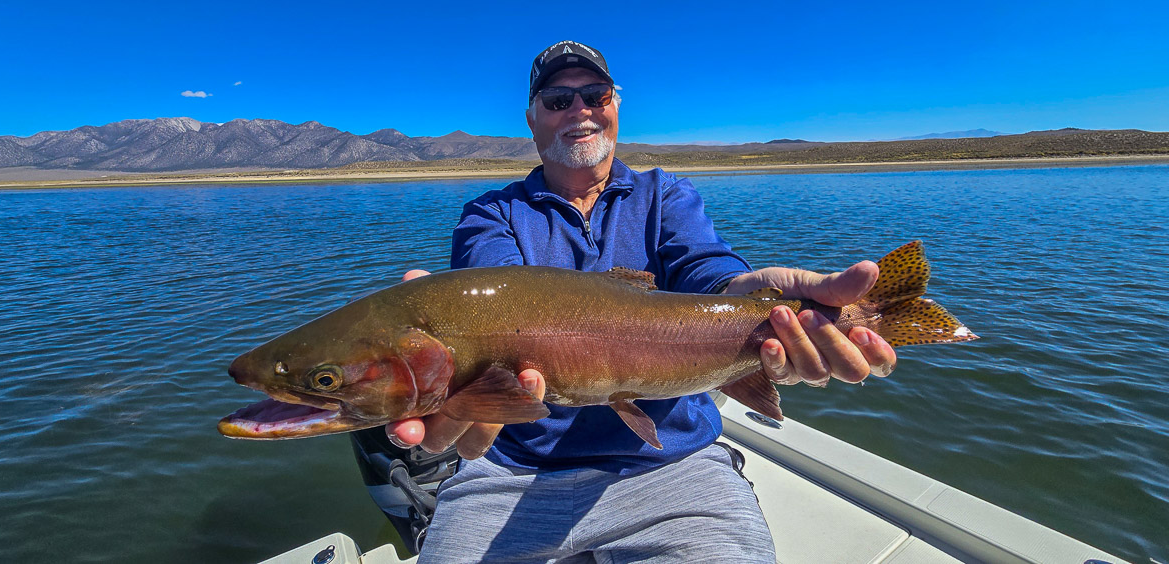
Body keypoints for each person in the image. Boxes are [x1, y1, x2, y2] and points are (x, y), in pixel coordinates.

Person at [384, 41, 898, 563]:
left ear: (615, 105)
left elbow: (706, 269)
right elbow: (504, 293)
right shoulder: (491, 214)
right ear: (532, 119)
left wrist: (747, 295)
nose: (580, 110)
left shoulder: (665, 195)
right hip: (514, 469)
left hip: (675, 462)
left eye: (595, 94)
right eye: (558, 100)